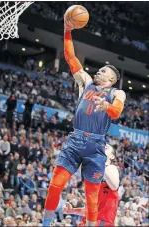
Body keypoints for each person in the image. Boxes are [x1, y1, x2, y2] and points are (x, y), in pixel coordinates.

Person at [42, 10, 126, 226]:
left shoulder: (117, 93)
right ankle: (45, 223)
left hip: (96, 143)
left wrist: (106, 105)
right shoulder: (86, 82)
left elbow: (116, 112)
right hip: (76, 138)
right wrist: (67, 31)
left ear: (112, 78)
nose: (98, 71)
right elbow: (70, 57)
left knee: (91, 195)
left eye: (103, 71)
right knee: (55, 184)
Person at [63, 144, 120, 227]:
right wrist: (72, 210)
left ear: (112, 156)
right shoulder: (94, 176)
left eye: (106, 148)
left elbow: (114, 185)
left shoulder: (112, 168)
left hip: (102, 222)